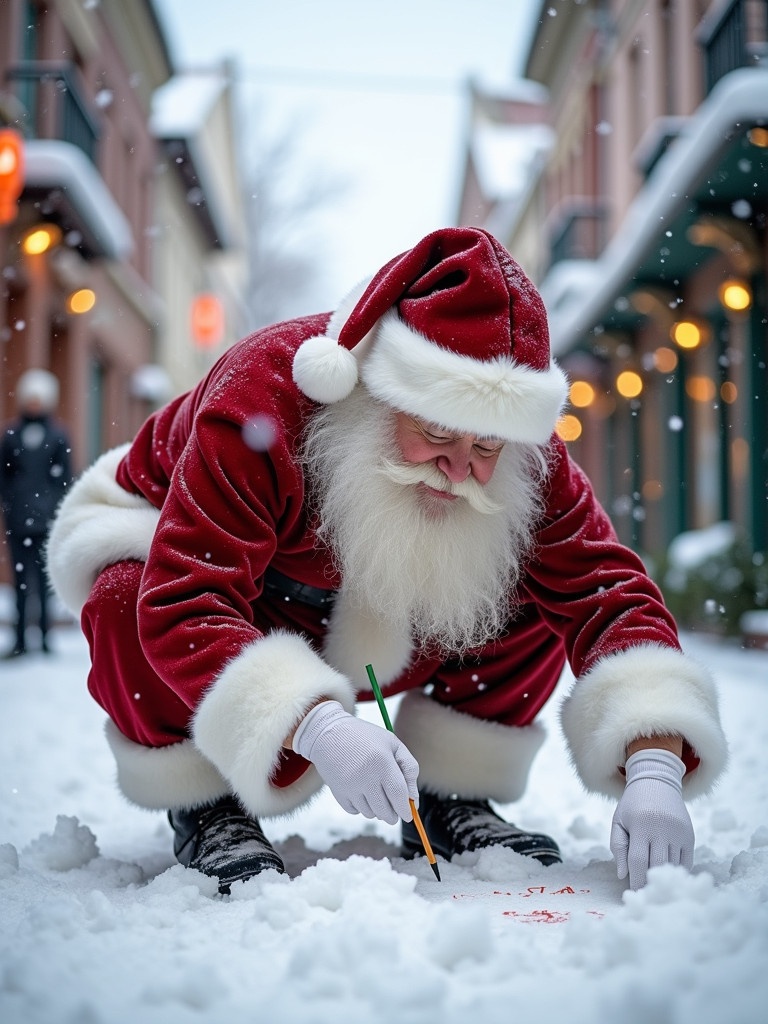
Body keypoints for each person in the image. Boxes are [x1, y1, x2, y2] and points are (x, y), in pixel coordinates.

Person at [47, 227, 727, 894]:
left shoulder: (526, 455)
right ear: (382, 395)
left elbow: (607, 592)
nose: (460, 466)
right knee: (125, 596)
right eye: (436, 432)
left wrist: (655, 762)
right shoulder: (262, 397)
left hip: (381, 605)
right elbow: (185, 596)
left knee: (528, 579)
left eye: (486, 448)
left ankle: (453, 794)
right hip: (222, 588)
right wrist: (315, 724)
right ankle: (207, 805)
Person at [1, 368, 72, 658]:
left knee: (43, 581)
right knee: (20, 581)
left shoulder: (57, 436)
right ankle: (19, 640)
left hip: (46, 522)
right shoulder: (11, 435)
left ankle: (43, 638)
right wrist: (12, 502)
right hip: (17, 520)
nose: (34, 403)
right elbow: (4, 476)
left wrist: (53, 507)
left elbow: (64, 477)